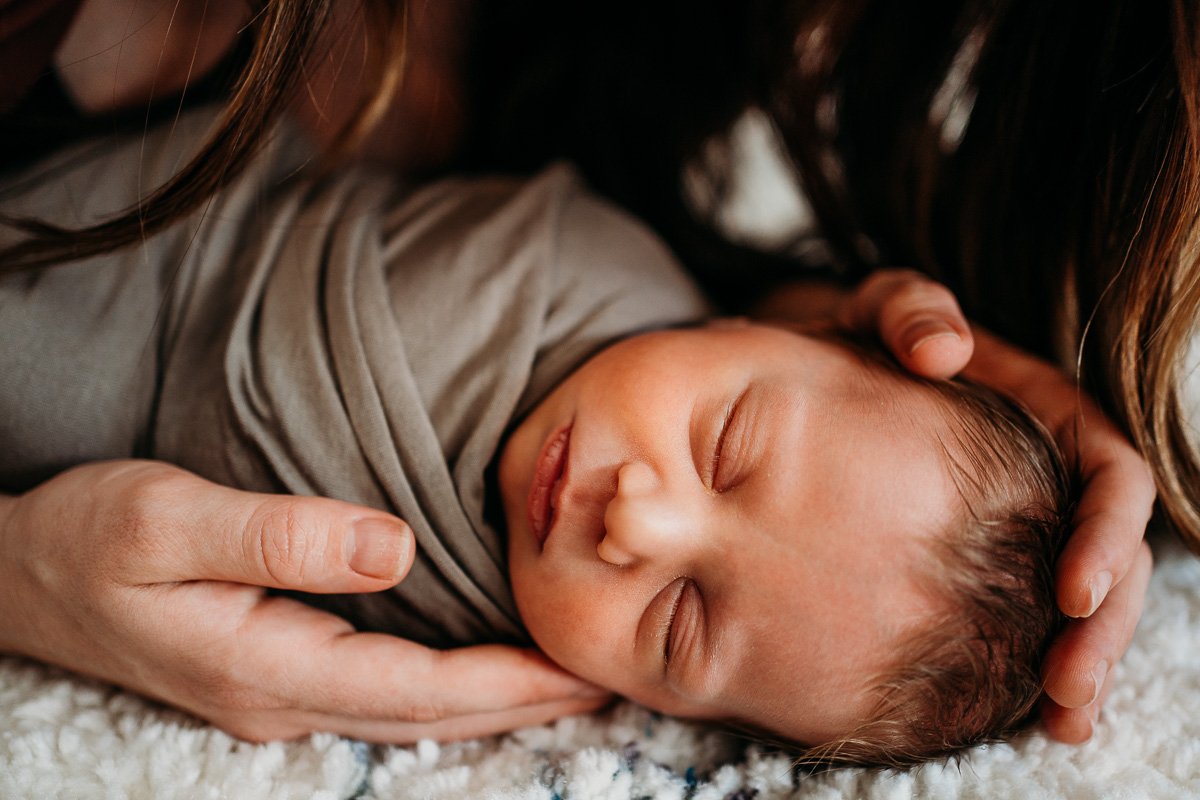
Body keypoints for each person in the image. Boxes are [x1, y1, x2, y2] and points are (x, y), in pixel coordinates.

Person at [0, 0, 1152, 747]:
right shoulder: (606, 257)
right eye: (724, 448)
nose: (634, 522)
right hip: (146, 210)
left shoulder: (483, 650)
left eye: (682, 619)